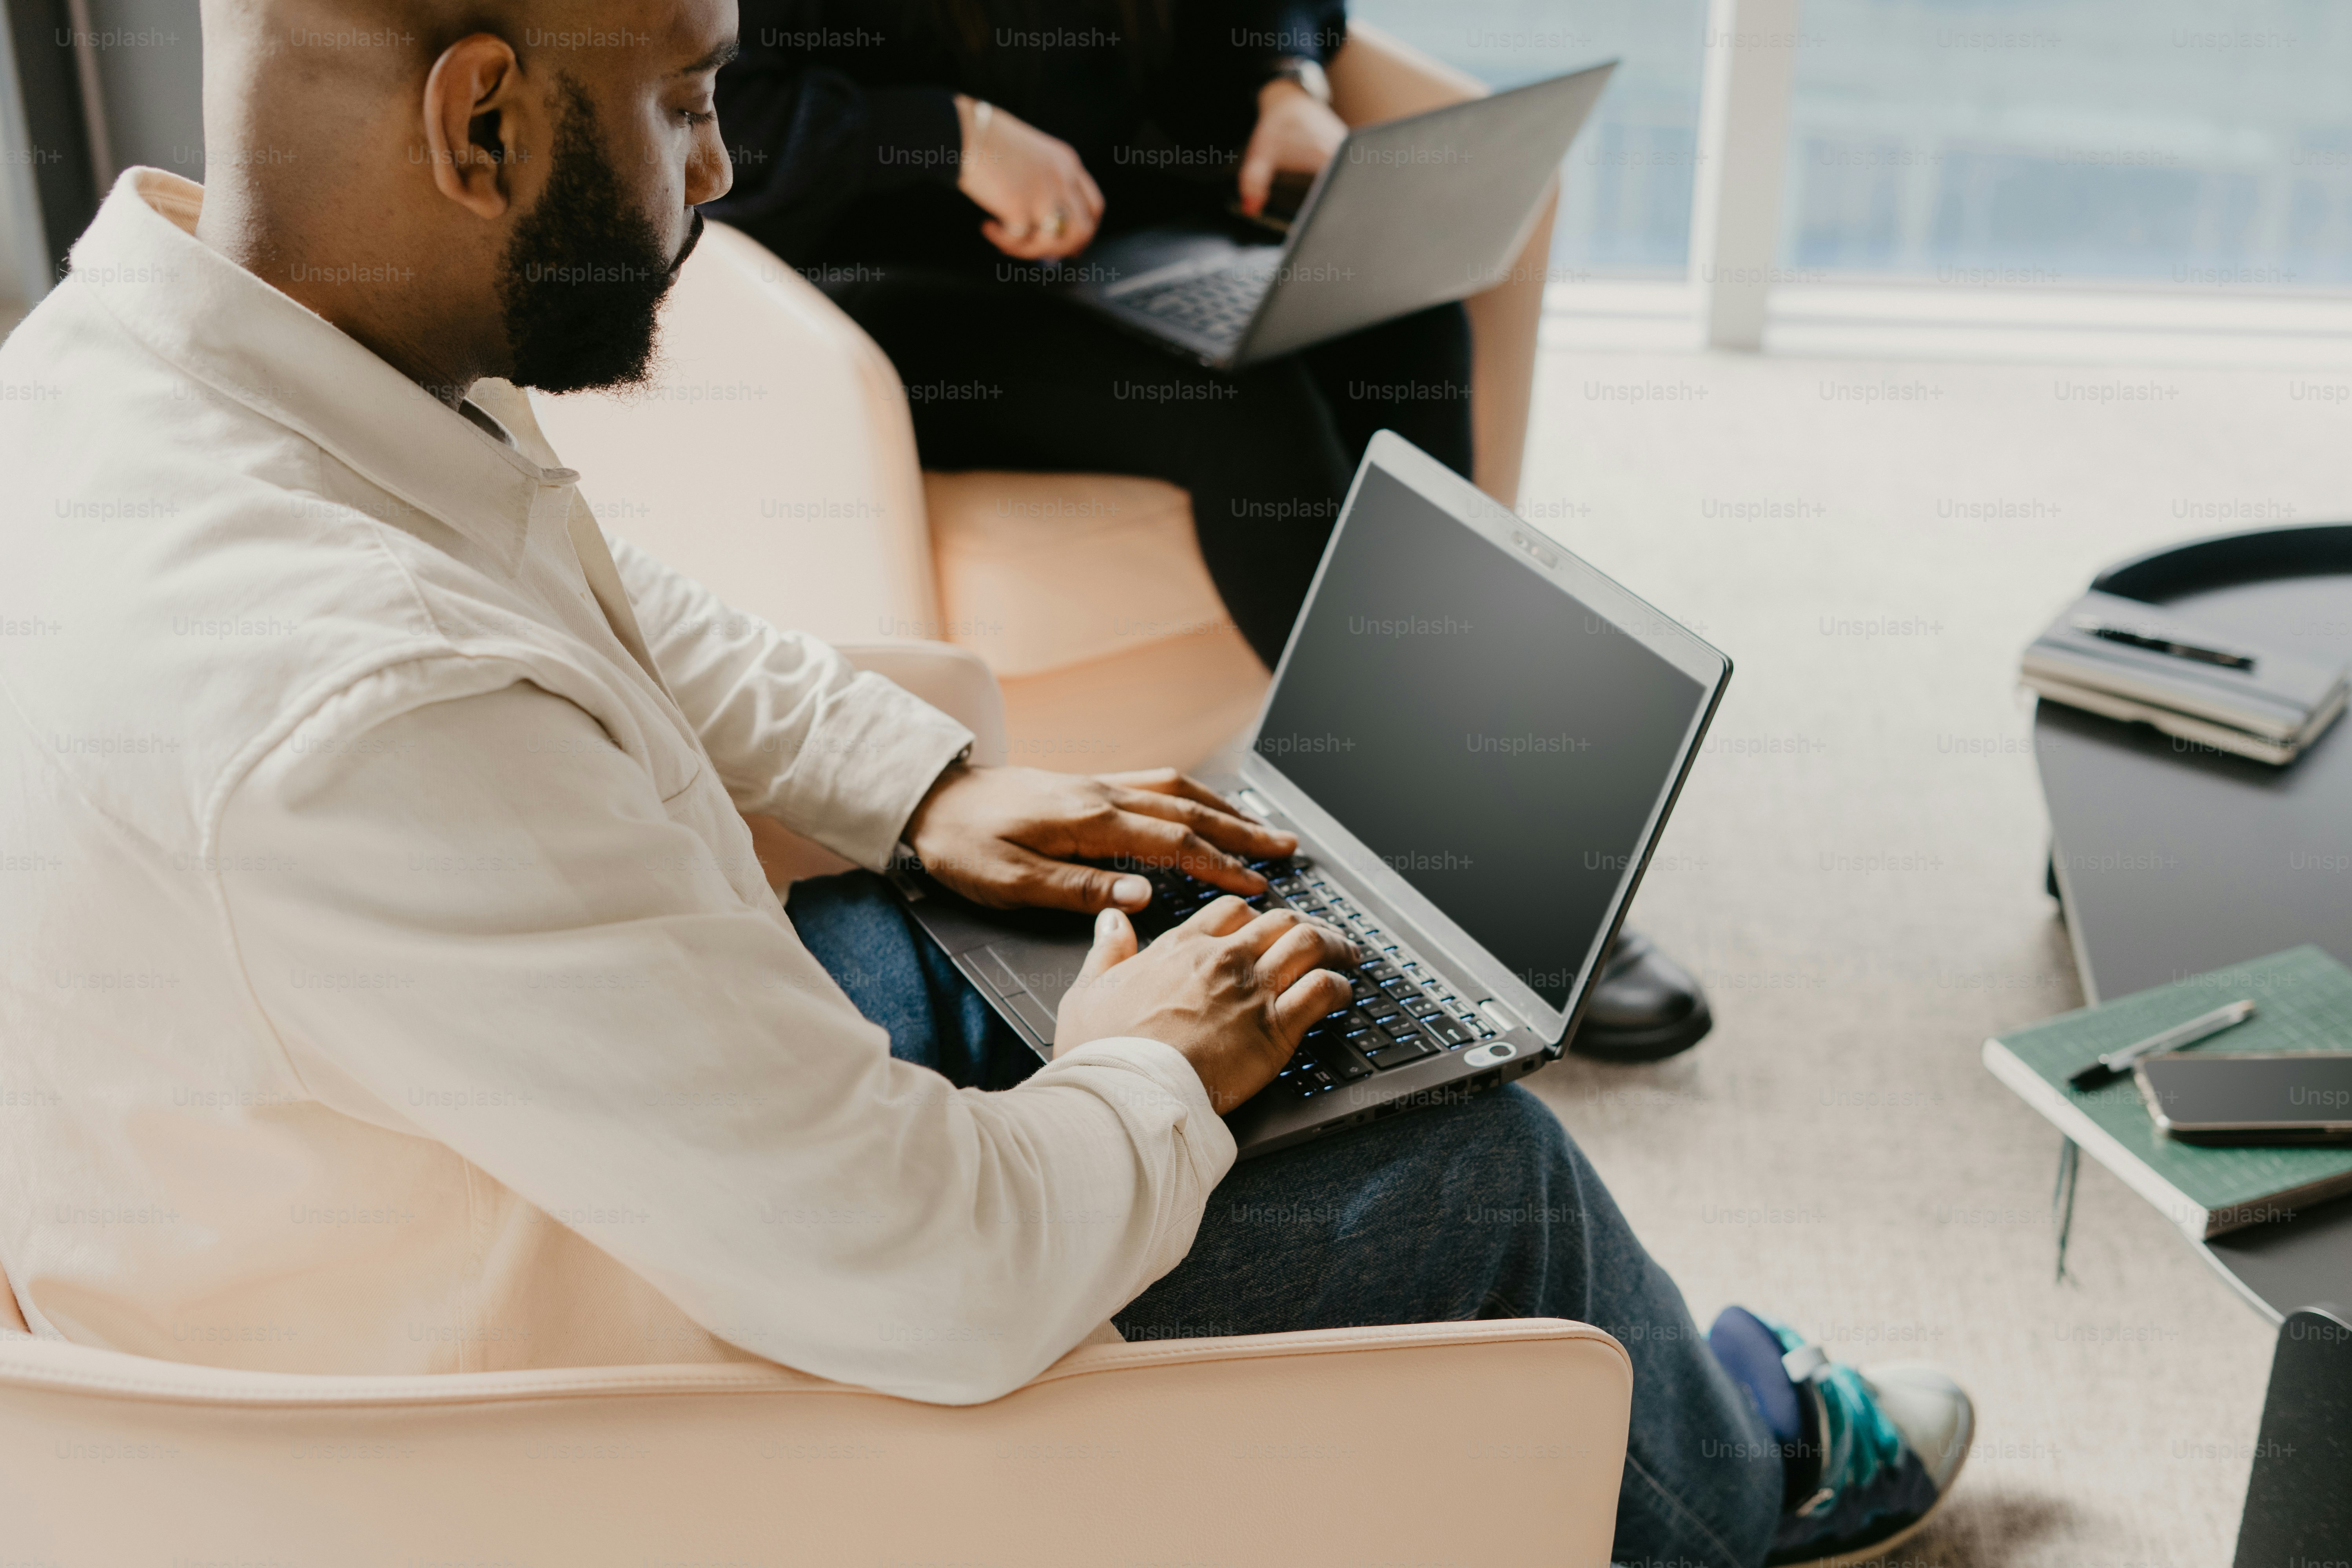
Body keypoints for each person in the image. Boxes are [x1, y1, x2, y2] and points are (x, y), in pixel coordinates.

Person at [0, 0, 1970, 1563]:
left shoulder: (145, 364)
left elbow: (593, 601)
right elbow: (933, 1271)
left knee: (1018, 936)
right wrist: (1139, 1068)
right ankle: (1733, 1486)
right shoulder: (372, 722)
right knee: (1490, 1184)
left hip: (465, 1172)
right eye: (692, 96)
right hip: (580, 1407)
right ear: (481, 125)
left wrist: (925, 788)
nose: (719, 166)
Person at [710, 0, 1717, 1064]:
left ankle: (1438, 810)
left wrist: (1290, 80)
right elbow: (730, 110)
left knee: (1412, 327)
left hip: (1126, 224)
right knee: (1242, 405)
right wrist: (958, 134)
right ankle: (1478, 870)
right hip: (889, 269)